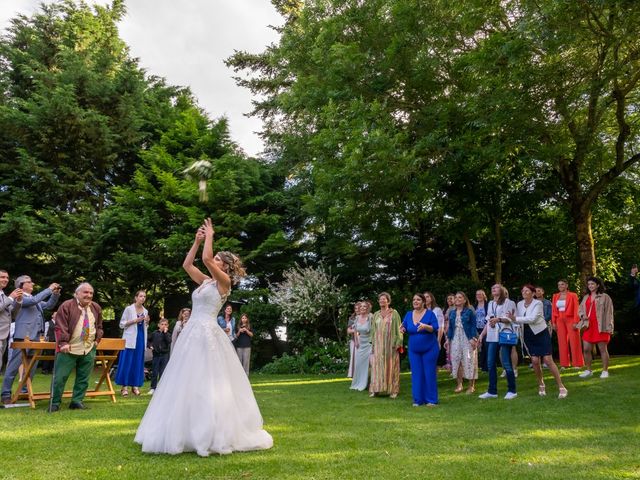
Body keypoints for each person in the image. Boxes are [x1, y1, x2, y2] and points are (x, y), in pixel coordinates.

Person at [135, 218, 272, 456]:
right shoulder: (206, 281)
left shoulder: (224, 282)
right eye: (216, 257)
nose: (213, 260)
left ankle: (211, 431)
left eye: (219, 259)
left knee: (208, 380)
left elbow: (207, 260)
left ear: (226, 266)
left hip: (207, 332)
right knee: (185, 379)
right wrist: (197, 241)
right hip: (192, 332)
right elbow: (188, 264)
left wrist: (210, 235)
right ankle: (184, 429)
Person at [1, 276, 60, 405]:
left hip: (36, 337)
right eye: (29, 282)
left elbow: (49, 305)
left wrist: (55, 294)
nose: (32, 283)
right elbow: (33, 301)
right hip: (23, 336)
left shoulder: (35, 299)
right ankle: (5, 393)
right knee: (13, 367)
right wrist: (49, 289)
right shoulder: (20, 296)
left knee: (31, 367)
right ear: (21, 285)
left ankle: (23, 391)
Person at [48, 283, 104, 412]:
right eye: (85, 292)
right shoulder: (67, 305)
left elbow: (99, 326)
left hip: (88, 348)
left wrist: (97, 339)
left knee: (83, 378)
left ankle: (77, 401)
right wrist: (63, 342)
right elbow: (60, 325)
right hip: (69, 348)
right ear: (77, 293)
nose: (88, 295)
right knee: (60, 377)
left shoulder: (96, 307)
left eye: (91, 293)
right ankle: (55, 402)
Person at [507, 284, 567, 398]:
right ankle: (541, 384)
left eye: (527, 291)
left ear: (533, 293)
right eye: (523, 290)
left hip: (541, 333)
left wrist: (516, 319)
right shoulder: (519, 304)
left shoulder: (538, 303)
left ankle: (561, 386)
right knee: (534, 360)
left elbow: (533, 319)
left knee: (548, 360)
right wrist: (508, 320)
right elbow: (517, 320)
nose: (524, 292)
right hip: (528, 335)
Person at [478, 284, 517, 400]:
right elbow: (488, 321)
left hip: (504, 335)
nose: (493, 288)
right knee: (490, 364)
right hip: (491, 336)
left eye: (496, 287)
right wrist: (481, 335)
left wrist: (498, 319)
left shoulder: (509, 302)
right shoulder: (490, 303)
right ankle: (492, 391)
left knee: (506, 363)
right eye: (492, 287)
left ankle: (512, 390)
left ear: (502, 290)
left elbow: (510, 319)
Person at [401, 293, 439, 406]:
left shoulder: (430, 314)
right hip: (414, 350)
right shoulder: (408, 314)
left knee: (429, 373)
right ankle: (418, 400)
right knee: (416, 374)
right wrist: (402, 328)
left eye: (418, 299)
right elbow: (404, 325)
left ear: (423, 302)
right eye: (414, 300)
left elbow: (435, 328)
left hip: (430, 349)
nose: (415, 301)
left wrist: (425, 326)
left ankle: (431, 400)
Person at [578, 276, 614, 379]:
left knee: (602, 349)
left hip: (601, 326)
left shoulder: (605, 297)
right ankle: (588, 370)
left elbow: (609, 313)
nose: (590, 286)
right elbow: (579, 309)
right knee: (586, 349)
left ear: (598, 285)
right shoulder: (586, 297)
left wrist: (609, 327)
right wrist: (582, 315)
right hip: (588, 325)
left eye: (592, 284)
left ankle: (605, 371)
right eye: (589, 284)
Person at [368, 292, 403, 399]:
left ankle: (393, 390)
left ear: (388, 301)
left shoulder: (394, 313)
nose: (382, 301)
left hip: (390, 344)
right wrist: (372, 343)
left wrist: (398, 342)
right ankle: (376, 389)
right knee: (377, 367)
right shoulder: (376, 314)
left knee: (392, 366)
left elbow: (399, 329)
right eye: (380, 299)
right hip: (378, 345)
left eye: (384, 299)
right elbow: (373, 330)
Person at [115, 290, 149, 396]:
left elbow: (144, 327)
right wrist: (135, 320)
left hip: (140, 338)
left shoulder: (145, 311)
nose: (142, 298)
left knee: (137, 363)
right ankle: (124, 387)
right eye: (140, 296)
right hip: (130, 339)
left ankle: (135, 386)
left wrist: (146, 322)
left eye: (144, 296)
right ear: (136, 297)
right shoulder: (129, 309)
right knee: (127, 362)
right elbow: (121, 324)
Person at [446, 292, 478, 394]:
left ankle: (471, 386)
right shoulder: (452, 312)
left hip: (467, 337)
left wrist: (473, 338)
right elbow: (450, 328)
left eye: (460, 297)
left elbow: (473, 325)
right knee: (456, 360)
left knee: (469, 360)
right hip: (455, 338)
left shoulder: (470, 311)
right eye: (456, 297)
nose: (457, 299)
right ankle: (459, 385)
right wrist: (448, 339)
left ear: (464, 300)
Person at [551, 279, 584, 369]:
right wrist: (553, 322)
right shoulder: (555, 296)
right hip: (559, 320)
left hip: (570, 319)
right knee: (562, 342)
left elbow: (576, 309)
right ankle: (564, 364)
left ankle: (577, 363)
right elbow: (554, 310)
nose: (560, 286)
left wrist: (575, 321)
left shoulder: (573, 295)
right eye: (558, 285)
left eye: (562, 284)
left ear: (566, 285)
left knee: (574, 341)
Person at [0, 270, 22, 373]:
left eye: (7, 278)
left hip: (4, 335)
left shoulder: (3, 296)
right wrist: (11, 297)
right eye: (2, 277)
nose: (5, 280)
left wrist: (18, 301)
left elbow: (12, 314)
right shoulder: (7, 297)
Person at [350, 301, 372, 391]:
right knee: (358, 364)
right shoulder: (357, 318)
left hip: (369, 344)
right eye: (361, 306)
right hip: (360, 344)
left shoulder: (371, 317)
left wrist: (373, 343)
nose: (362, 308)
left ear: (367, 308)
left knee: (369, 364)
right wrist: (356, 340)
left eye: (364, 306)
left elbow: (374, 330)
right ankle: (358, 382)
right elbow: (355, 330)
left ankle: (368, 383)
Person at [147, 318, 171, 395]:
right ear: (158, 325)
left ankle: (161, 388)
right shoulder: (154, 333)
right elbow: (148, 340)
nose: (163, 326)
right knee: (155, 372)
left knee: (162, 372)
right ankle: (153, 388)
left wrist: (165, 333)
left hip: (164, 355)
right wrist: (150, 346)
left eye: (165, 324)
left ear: (168, 326)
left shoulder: (167, 334)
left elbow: (169, 341)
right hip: (156, 355)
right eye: (162, 324)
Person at [474, 289, 488, 372]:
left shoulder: (488, 305)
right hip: (476, 329)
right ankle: (481, 365)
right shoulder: (474, 305)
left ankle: (486, 367)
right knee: (479, 348)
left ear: (484, 295)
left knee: (486, 347)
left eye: (480, 294)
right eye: (477, 294)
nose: (478, 296)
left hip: (486, 328)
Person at [346, 303, 358, 378]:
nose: (357, 310)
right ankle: (353, 374)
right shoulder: (352, 318)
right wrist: (355, 330)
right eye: (356, 308)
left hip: (364, 341)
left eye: (358, 308)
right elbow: (348, 330)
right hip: (354, 341)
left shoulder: (367, 317)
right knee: (354, 357)